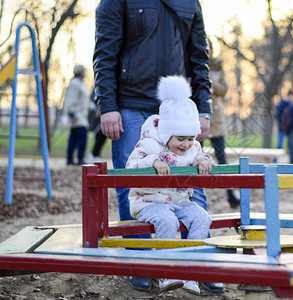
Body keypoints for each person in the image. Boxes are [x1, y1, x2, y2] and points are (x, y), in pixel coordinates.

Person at [93, 0, 217, 292]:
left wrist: (203, 108)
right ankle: (142, 263)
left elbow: (199, 56)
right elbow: (105, 52)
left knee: (190, 176)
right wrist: (107, 105)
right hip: (130, 101)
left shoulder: (190, 2)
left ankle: (197, 265)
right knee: (132, 180)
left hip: (177, 104)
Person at [127, 76, 213, 295]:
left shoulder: (193, 148)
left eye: (190, 139)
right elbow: (131, 166)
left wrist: (204, 161)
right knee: (167, 220)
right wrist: (152, 161)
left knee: (203, 217)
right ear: (167, 134)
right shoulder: (149, 144)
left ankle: (191, 273)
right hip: (149, 202)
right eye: (180, 139)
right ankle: (167, 272)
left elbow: (202, 155)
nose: (185, 145)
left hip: (180, 201)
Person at [206, 38, 240, 208]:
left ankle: (230, 194)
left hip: (216, 119)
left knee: (222, 158)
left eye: (208, 47)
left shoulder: (218, 68)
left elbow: (224, 90)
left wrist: (209, 80)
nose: (206, 50)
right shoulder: (190, 63)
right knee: (191, 157)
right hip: (197, 119)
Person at [62, 64, 91, 166]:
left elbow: (85, 101)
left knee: (74, 137)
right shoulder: (74, 83)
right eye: (84, 71)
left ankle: (71, 159)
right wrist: (71, 114)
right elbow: (71, 99)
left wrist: (94, 108)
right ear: (80, 72)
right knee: (81, 137)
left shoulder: (81, 84)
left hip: (82, 115)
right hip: (76, 116)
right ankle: (79, 158)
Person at [88, 90, 107, 163]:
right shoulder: (96, 89)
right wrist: (96, 109)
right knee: (99, 135)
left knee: (102, 136)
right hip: (97, 117)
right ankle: (94, 154)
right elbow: (93, 100)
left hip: (102, 113)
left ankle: (96, 154)